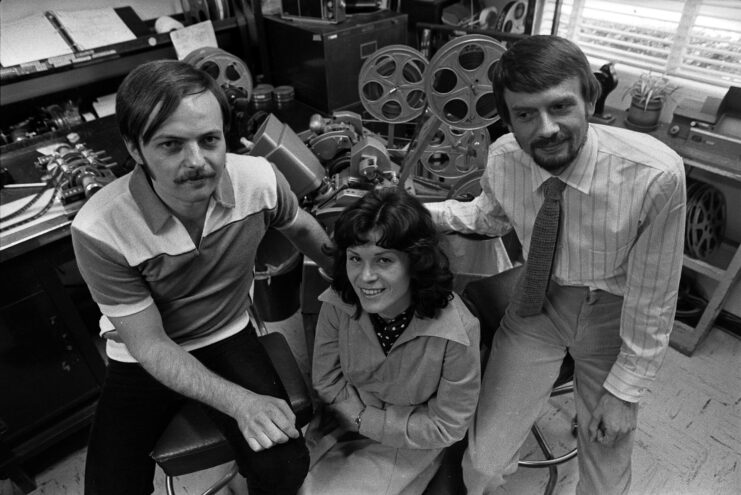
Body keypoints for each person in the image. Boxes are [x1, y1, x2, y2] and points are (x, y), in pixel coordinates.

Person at [426, 35, 686, 494]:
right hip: (537, 305)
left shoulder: (655, 176)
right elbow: (490, 215)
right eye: (525, 114)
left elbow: (654, 296)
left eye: (560, 107)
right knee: (483, 465)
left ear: (590, 99)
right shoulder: (506, 156)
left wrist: (626, 393)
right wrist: (422, 212)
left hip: (615, 314)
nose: (545, 129)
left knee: (605, 473)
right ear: (508, 119)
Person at [71, 59, 333, 495]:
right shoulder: (100, 228)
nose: (198, 162)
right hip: (145, 353)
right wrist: (241, 403)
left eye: (209, 140)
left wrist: (342, 271)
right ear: (135, 149)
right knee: (109, 487)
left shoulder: (259, 180)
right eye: (170, 145)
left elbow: (302, 227)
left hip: (226, 332)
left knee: (285, 465)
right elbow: (151, 346)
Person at [299, 188, 481, 495]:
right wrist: (355, 417)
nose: (365, 277)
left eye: (383, 260)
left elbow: (447, 425)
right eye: (355, 258)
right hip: (339, 424)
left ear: (415, 262)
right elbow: (327, 381)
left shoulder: (457, 332)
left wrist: (365, 419)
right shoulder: (337, 303)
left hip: (406, 444)